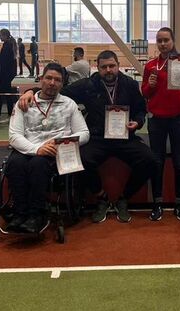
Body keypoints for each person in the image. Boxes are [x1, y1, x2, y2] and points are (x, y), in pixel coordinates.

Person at [18, 50, 158, 224]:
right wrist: (31, 91)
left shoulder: (129, 84)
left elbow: (140, 109)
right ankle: (101, 196)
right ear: (97, 68)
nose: (108, 70)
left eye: (112, 66)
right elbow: (59, 91)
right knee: (77, 160)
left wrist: (137, 122)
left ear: (118, 66)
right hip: (97, 138)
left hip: (124, 138)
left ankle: (123, 198)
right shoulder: (88, 85)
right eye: (104, 67)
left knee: (151, 160)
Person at [5, 62, 89, 233]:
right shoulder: (24, 103)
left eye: (57, 80)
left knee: (38, 164)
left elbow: (84, 133)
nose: (52, 83)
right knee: (15, 164)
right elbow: (14, 136)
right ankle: (19, 213)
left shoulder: (69, 104)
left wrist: (60, 142)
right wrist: (36, 149)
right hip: (27, 148)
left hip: (53, 152)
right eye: (49, 78)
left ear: (62, 84)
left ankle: (36, 215)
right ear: (41, 79)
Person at [142, 27, 180, 222]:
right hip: (156, 120)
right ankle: (157, 203)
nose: (162, 44)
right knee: (157, 162)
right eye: (159, 40)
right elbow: (145, 93)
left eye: (166, 40)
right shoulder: (151, 66)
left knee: (179, 162)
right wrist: (150, 85)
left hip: (178, 119)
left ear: (173, 41)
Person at [0, 28, 18, 123]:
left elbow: (3, 62)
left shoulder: (7, 45)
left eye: (0, 35)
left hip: (6, 74)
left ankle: (7, 115)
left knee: (4, 94)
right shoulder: (9, 44)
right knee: (2, 93)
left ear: (4, 35)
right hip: (8, 74)